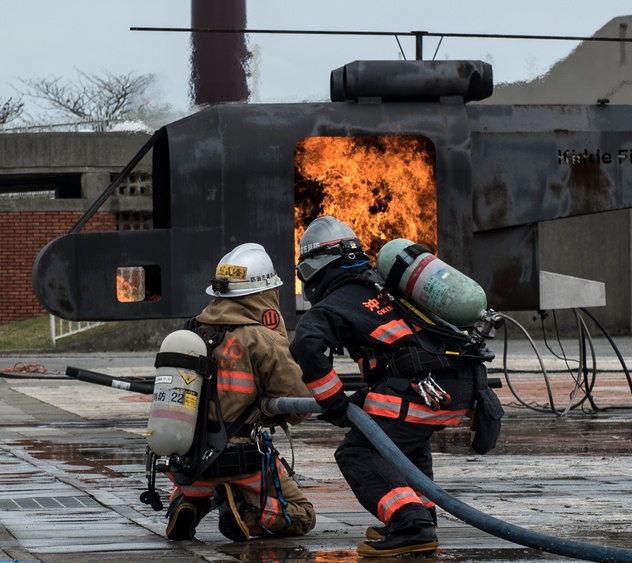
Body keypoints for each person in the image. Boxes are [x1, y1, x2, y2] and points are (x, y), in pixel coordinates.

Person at [290, 216, 493, 558]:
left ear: (316, 268)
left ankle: (410, 523)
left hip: (424, 387)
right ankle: (422, 514)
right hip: (461, 383)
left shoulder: (336, 302)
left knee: (357, 453)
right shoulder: (384, 285)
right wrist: (361, 399)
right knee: (405, 446)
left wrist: (334, 403)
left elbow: (306, 344)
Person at [163, 242, 317, 542]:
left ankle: (185, 504)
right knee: (302, 513)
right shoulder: (261, 339)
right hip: (239, 461)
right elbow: (299, 407)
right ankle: (247, 511)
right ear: (262, 293)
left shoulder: (190, 331)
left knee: (200, 488)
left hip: (186, 463)